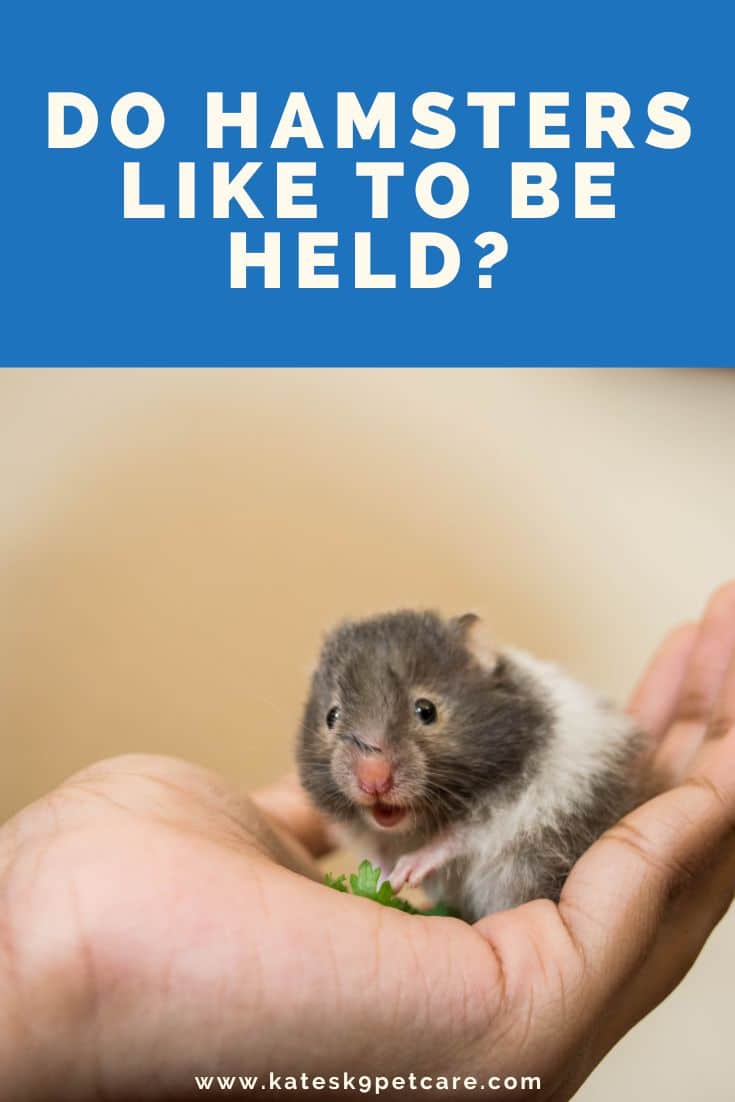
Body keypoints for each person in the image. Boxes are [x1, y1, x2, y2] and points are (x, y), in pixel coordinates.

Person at [2, 583, 735, 1101]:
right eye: (334, 724)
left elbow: (510, 795)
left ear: (476, 680)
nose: (373, 771)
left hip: (525, 830)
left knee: (521, 857)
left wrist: (454, 845)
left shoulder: (531, 731)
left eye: (423, 713)